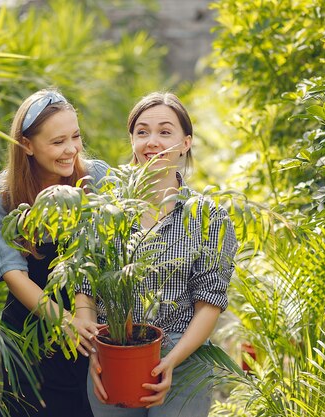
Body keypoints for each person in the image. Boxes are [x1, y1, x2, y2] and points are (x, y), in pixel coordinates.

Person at [75, 91, 238, 416]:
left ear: (186, 142)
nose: (152, 141)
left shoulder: (208, 216)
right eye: (142, 132)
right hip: (115, 350)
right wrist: (95, 351)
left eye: (165, 132)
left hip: (184, 355)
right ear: (132, 140)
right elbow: (86, 283)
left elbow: (209, 302)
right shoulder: (105, 208)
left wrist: (170, 361)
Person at [0, 88, 109, 417]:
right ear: (26, 145)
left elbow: (97, 252)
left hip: (91, 324)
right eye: (57, 141)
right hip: (31, 330)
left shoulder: (97, 177)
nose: (71, 150)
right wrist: (62, 321)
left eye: (75, 137)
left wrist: (81, 318)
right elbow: (12, 272)